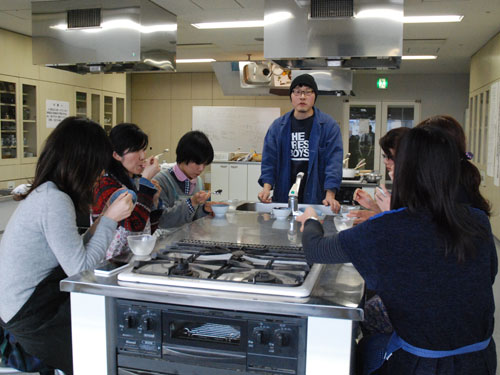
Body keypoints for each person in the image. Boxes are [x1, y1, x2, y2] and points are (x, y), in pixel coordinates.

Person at [297, 125, 497, 375]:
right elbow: (485, 277)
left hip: (421, 366)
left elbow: (316, 250)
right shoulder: (478, 220)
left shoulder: (389, 227)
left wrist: (311, 219)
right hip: (482, 361)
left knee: (358, 347)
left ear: (406, 171)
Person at [0, 117, 134, 374]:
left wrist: (99, 224)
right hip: (29, 317)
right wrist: (109, 220)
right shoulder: (55, 200)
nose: (100, 174)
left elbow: (69, 252)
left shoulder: (48, 192)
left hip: (21, 307)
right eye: (98, 166)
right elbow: (79, 267)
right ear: (83, 162)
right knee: (97, 347)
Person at [258, 73, 343, 212]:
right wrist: (266, 188)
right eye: (297, 92)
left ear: (315, 96)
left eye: (307, 92)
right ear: (291, 96)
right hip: (284, 195)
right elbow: (269, 160)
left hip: (316, 195)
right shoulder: (278, 127)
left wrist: (330, 195)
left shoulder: (329, 126)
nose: (302, 97)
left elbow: (334, 162)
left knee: (313, 231)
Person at [92, 123, 162, 259]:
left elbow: (148, 232)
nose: (143, 156)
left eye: (144, 149)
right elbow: (135, 225)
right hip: (108, 264)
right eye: (136, 150)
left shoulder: (133, 181)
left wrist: (153, 201)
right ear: (116, 155)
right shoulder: (106, 185)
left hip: (130, 259)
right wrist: (146, 183)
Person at [154, 130, 214, 229]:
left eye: (205, 164)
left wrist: (204, 209)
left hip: (187, 239)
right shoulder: (161, 181)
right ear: (183, 156)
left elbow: (193, 218)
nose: (201, 169)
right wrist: (192, 202)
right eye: (197, 163)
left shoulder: (198, 181)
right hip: (165, 241)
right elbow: (162, 220)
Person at [351, 127, 410, 223]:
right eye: (384, 156)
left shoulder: (417, 190)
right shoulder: (402, 184)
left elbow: (407, 230)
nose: (385, 161)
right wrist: (373, 207)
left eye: (390, 156)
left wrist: (386, 214)